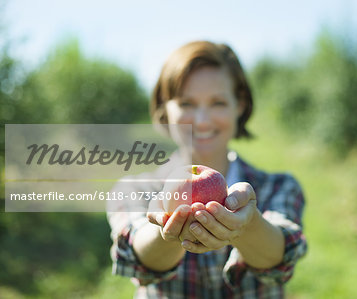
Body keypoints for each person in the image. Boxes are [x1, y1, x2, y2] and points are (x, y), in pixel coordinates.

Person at [107, 41, 307, 298]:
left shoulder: (278, 187)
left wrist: (248, 224)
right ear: (164, 109)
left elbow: (279, 261)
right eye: (187, 104)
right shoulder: (135, 190)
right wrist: (165, 229)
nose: (202, 121)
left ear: (241, 105)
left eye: (218, 102)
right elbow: (141, 261)